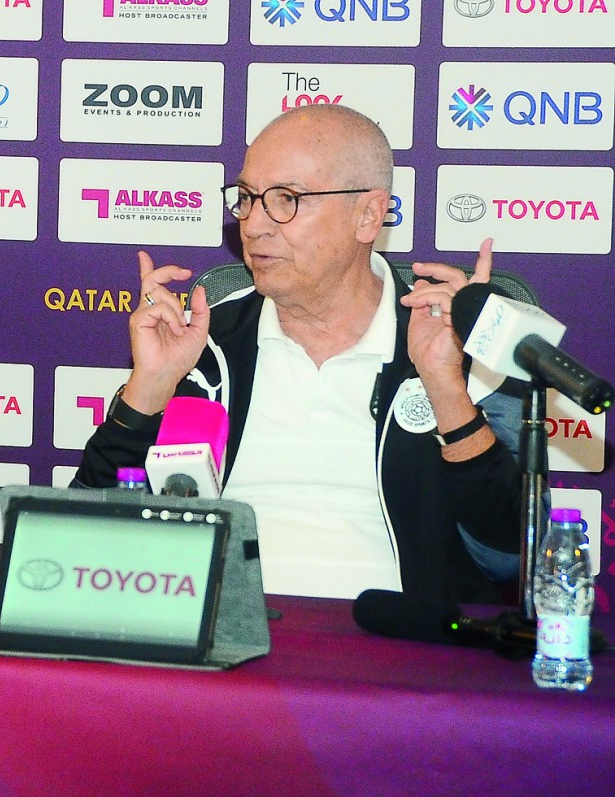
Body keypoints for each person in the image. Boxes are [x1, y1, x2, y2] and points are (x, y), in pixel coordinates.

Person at [73, 104, 521, 602]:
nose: (254, 225)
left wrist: (445, 387)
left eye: (286, 199)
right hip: (218, 636)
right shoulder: (205, 344)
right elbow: (78, 543)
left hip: (395, 646)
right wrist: (148, 392)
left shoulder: (450, 342)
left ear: (368, 215)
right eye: (246, 198)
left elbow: (510, 559)